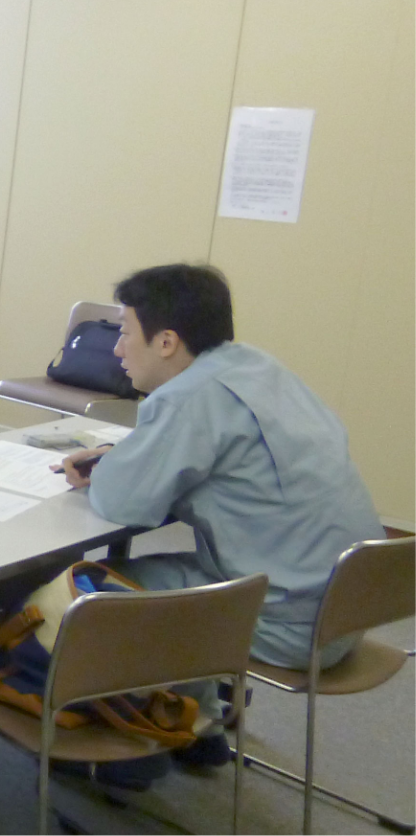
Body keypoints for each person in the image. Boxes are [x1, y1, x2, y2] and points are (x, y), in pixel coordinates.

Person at [60, 263, 382, 767]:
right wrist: (132, 457)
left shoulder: (188, 398)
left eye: (124, 332)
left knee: (90, 590)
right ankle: (201, 726)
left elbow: (121, 502)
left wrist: (111, 467)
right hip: (348, 609)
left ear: (166, 341)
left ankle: (136, 749)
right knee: (189, 578)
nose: (118, 349)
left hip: (287, 623)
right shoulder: (259, 368)